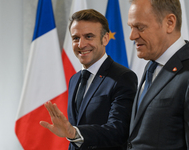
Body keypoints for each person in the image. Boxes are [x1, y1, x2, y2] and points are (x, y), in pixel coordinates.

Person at [40, 9, 137, 150]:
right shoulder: (74, 79)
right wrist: (72, 134)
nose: (81, 44)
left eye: (89, 36)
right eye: (75, 38)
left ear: (105, 39)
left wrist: (74, 133)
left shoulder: (123, 77)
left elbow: (118, 131)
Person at [127, 0, 189, 149]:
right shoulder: (152, 65)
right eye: (131, 27)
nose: (132, 36)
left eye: (140, 27)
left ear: (169, 23)